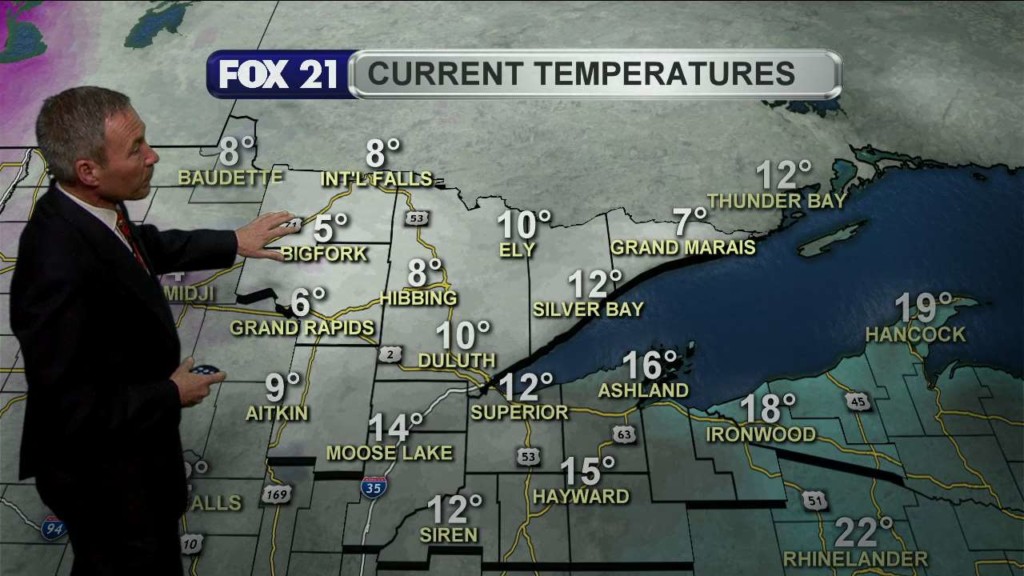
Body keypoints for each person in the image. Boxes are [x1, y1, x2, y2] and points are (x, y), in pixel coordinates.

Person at [9, 86, 298, 575]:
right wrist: (170, 394)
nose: (152, 156)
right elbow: (70, 411)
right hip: (106, 485)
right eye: (136, 148)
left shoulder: (88, 208)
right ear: (88, 170)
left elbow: (137, 248)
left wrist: (233, 242)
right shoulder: (55, 267)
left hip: (133, 469)